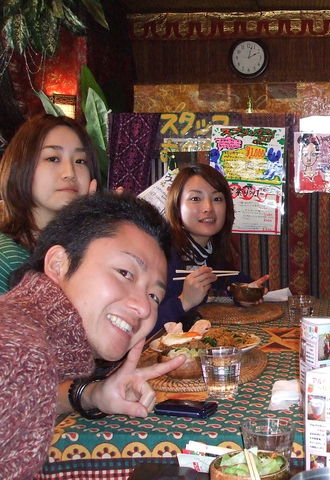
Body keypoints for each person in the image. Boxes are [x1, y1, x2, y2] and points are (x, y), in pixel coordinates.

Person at [0, 192, 185, 480]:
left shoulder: (29, 336)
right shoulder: (19, 350)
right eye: (125, 272)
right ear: (58, 264)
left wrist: (91, 394)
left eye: (154, 295)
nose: (143, 307)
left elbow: (27, 397)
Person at [0, 114, 100, 293]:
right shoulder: (8, 258)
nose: (70, 173)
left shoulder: (82, 248)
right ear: (20, 166)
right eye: (53, 158)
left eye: (80, 161)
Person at [154, 164, 255, 335]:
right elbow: (137, 325)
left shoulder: (209, 252)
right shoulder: (161, 256)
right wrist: (184, 301)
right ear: (177, 206)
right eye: (195, 198)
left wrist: (244, 293)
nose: (208, 207)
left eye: (217, 199)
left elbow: (231, 280)